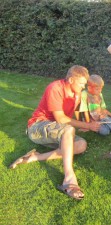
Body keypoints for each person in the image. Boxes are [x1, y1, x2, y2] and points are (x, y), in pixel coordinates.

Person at [9, 65, 101, 200]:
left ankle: (35, 157)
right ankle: (69, 178)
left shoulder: (77, 93)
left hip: (57, 130)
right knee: (69, 129)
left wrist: (86, 122)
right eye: (81, 83)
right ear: (71, 80)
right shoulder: (55, 88)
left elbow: (73, 112)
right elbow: (61, 119)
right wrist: (87, 125)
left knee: (81, 145)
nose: (83, 87)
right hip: (37, 127)